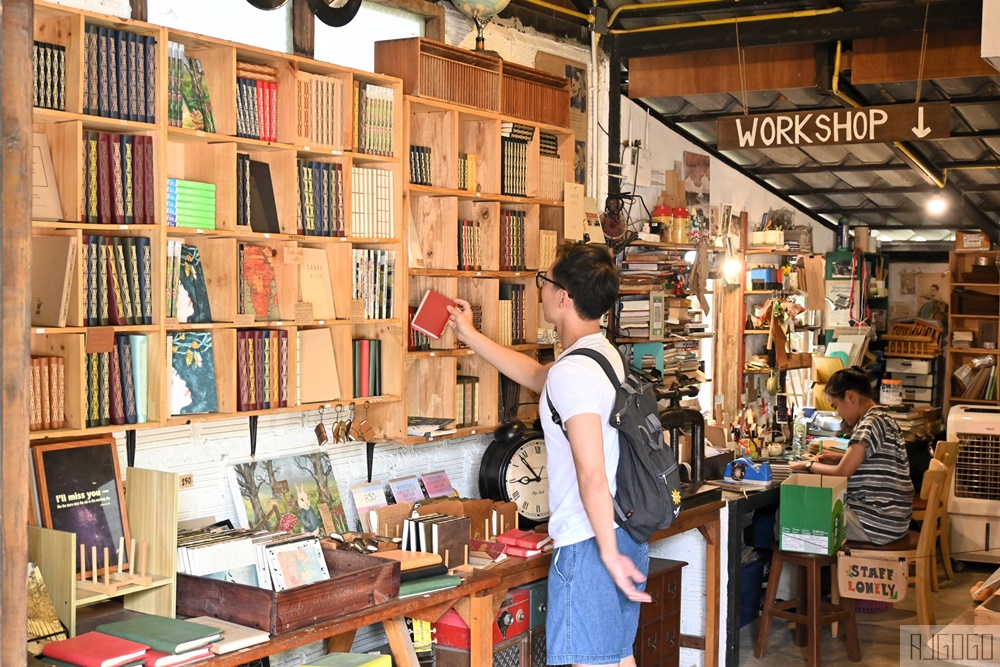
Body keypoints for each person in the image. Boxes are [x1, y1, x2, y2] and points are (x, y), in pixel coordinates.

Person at [447, 243, 651, 667]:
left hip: (591, 541)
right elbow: (539, 376)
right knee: (615, 657)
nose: (539, 289)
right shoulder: (600, 355)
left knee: (595, 659)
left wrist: (607, 555)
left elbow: (591, 473)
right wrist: (469, 335)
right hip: (621, 532)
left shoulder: (572, 373)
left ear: (563, 297)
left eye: (545, 281)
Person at [789, 366, 913, 545]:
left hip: (874, 522)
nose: (839, 414)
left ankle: (795, 571)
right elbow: (875, 461)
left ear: (850, 397)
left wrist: (808, 465)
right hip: (893, 520)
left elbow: (841, 473)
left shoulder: (868, 424)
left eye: (836, 406)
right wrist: (841, 457)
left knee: (788, 513)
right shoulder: (884, 418)